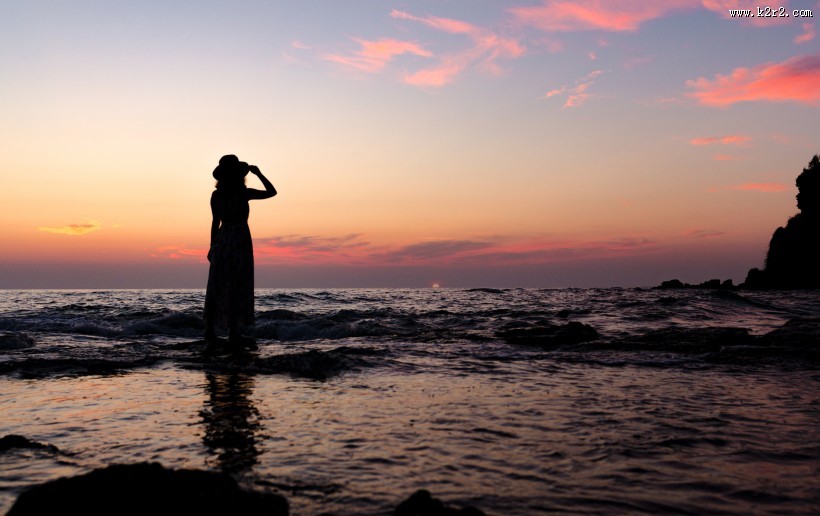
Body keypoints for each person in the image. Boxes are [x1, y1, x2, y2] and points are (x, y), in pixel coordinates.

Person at [204, 154, 276, 346]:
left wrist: (212, 246)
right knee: (238, 284)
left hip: (223, 238)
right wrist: (259, 173)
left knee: (218, 284)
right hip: (240, 239)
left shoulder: (216, 195)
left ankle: (211, 330)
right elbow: (272, 192)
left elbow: (215, 222)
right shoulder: (243, 193)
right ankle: (233, 330)